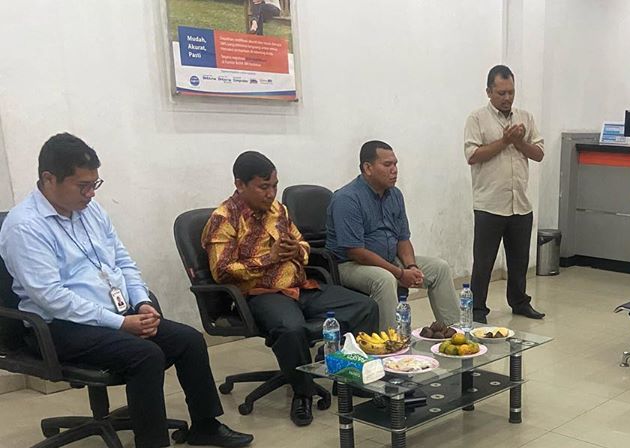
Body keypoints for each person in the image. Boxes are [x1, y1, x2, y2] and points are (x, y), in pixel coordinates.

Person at [0, 133, 253, 448]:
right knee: (144, 355)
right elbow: (51, 297)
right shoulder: (25, 226)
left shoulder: (91, 211)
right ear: (49, 179)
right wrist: (120, 323)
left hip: (117, 313)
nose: (91, 194)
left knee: (189, 340)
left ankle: (205, 425)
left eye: (95, 184)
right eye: (82, 186)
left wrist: (142, 302)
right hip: (59, 326)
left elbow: (122, 263)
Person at [202, 151, 379, 427]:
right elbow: (222, 271)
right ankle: (303, 394)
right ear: (240, 184)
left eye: (274, 185)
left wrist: (296, 249)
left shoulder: (279, 211)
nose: (271, 193)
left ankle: (347, 376)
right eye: (264, 187)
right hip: (261, 293)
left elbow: (304, 245)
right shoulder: (224, 218)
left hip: (300, 286)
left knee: (365, 307)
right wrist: (268, 258)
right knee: (291, 328)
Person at [326, 140, 458, 330]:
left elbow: (402, 239)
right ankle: (392, 342)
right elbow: (356, 252)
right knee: (385, 279)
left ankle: (455, 334)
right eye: (387, 165)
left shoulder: (395, 195)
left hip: (388, 259)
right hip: (349, 265)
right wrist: (399, 273)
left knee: (439, 268)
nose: (394, 170)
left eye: (395, 164)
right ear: (368, 168)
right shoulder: (347, 199)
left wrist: (411, 267)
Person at [464, 64, 546, 324]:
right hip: (489, 204)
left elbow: (539, 154)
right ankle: (478, 309)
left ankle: (520, 302)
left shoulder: (526, 118)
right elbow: (473, 155)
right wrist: (505, 141)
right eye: (501, 93)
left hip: (520, 203)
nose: (507, 98)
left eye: (511, 92)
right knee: (484, 262)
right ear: (489, 91)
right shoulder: (477, 119)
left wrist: (519, 141)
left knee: (519, 261)